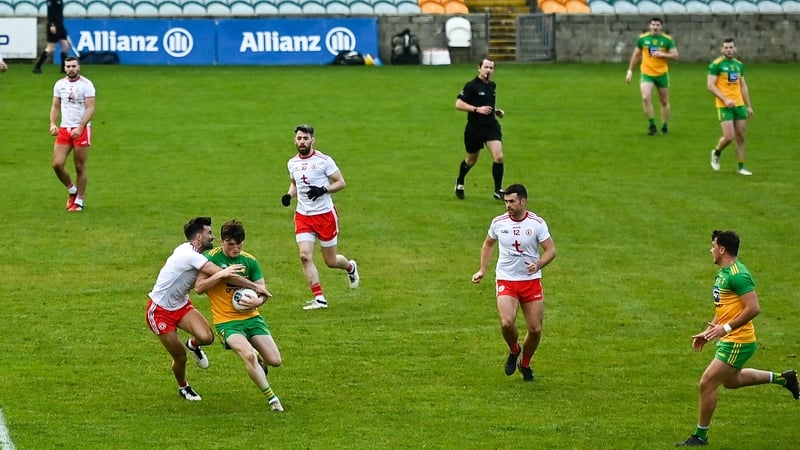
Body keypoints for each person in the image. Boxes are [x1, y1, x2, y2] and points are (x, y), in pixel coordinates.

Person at [676, 230, 798, 447]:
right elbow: (725, 307)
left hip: (739, 340)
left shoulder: (738, 275)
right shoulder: (723, 273)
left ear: (722, 249)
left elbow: (754, 308)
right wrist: (709, 331)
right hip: (730, 337)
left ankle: (700, 437)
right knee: (731, 382)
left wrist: (726, 328)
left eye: (713, 246)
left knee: (706, 383)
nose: (711, 250)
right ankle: (784, 378)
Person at [145, 217, 268, 402]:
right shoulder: (191, 256)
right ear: (198, 236)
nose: (212, 236)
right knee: (180, 357)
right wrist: (256, 287)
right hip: (160, 311)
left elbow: (223, 275)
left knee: (207, 337)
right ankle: (184, 387)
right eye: (209, 233)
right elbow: (226, 275)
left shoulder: (188, 250)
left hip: (181, 305)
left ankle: (193, 345)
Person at [471, 184, 556, 382]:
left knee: (535, 329)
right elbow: (488, 243)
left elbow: (551, 250)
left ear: (523, 202)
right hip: (506, 279)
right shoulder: (499, 222)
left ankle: (525, 363)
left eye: (511, 201)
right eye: (506, 201)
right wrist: (482, 269)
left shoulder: (536, 223)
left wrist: (539, 264)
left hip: (530, 281)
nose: (507, 205)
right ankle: (514, 349)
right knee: (507, 322)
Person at [203, 219, 284, 412]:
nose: (235, 248)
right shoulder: (210, 259)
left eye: (239, 244)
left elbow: (263, 291)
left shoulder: (249, 261)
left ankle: (260, 361)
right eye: (231, 244)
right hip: (227, 322)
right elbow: (199, 288)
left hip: (252, 318)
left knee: (275, 361)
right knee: (248, 355)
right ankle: (272, 399)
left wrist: (258, 301)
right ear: (222, 241)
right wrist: (221, 275)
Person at [281, 124, 360, 310]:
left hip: (325, 216)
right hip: (303, 216)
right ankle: (320, 298)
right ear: (295, 140)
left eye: (305, 138)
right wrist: (289, 195)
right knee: (304, 256)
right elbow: (295, 184)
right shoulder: (292, 163)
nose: (302, 142)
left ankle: (350, 267)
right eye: (299, 138)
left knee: (330, 261)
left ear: (312, 140)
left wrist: (323, 189)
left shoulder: (324, 161)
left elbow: (341, 183)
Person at [454, 58, 506, 201]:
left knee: (499, 157)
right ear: (479, 68)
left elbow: (487, 105)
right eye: (486, 67)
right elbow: (458, 104)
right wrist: (477, 109)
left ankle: (498, 190)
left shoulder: (492, 86)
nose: (488, 70)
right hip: (474, 129)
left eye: (491, 68)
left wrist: (496, 111)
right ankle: (460, 181)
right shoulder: (471, 86)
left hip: (491, 127)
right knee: (471, 160)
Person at [50, 56, 95, 212]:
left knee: (79, 166)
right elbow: (55, 106)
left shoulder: (87, 85)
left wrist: (81, 127)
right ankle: (72, 190)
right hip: (64, 129)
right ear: (64, 68)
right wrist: (53, 124)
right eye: (68, 66)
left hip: (81, 130)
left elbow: (90, 108)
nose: (71, 69)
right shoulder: (59, 84)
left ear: (79, 67)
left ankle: (80, 201)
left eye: (73, 66)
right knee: (57, 164)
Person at [707, 38, 754, 176]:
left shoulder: (739, 65)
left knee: (741, 137)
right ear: (722, 49)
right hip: (724, 105)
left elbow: (743, 85)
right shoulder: (716, 65)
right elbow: (710, 85)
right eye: (726, 47)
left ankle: (741, 167)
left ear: (735, 49)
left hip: (739, 105)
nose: (729, 50)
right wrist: (725, 99)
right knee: (729, 137)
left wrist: (748, 106)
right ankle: (716, 153)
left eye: (731, 47)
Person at [625, 17, 679, 135]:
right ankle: (652, 125)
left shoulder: (667, 40)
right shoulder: (643, 39)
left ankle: (665, 125)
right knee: (645, 97)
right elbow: (636, 55)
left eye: (657, 25)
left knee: (664, 101)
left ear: (661, 27)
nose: (655, 27)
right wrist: (630, 71)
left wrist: (663, 54)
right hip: (647, 73)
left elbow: (675, 55)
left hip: (662, 73)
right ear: (650, 26)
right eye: (653, 24)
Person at [33, 0, 69, 74]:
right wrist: (52, 25)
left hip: (60, 24)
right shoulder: (51, 1)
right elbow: (51, 13)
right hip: (54, 25)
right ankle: (37, 67)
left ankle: (63, 69)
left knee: (65, 46)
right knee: (50, 47)